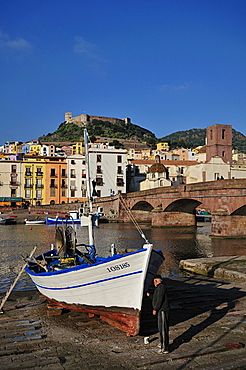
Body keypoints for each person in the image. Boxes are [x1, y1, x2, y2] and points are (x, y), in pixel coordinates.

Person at [147, 275, 170, 354]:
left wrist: (155, 309)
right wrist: (150, 296)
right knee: (161, 328)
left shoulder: (161, 288)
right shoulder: (159, 288)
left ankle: (165, 348)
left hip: (163, 310)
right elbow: (156, 298)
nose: (153, 283)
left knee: (163, 329)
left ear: (156, 281)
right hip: (161, 310)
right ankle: (163, 343)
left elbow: (159, 300)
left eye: (154, 281)